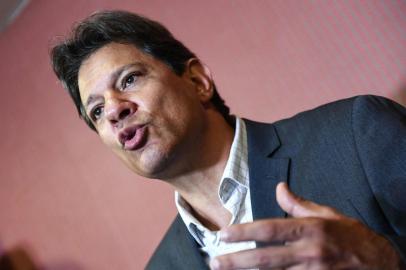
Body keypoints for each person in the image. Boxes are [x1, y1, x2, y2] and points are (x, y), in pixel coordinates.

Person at [50, 10, 406, 270]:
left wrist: (386, 260)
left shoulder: (356, 134)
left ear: (197, 81)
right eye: (96, 111)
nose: (114, 110)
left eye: (128, 80)